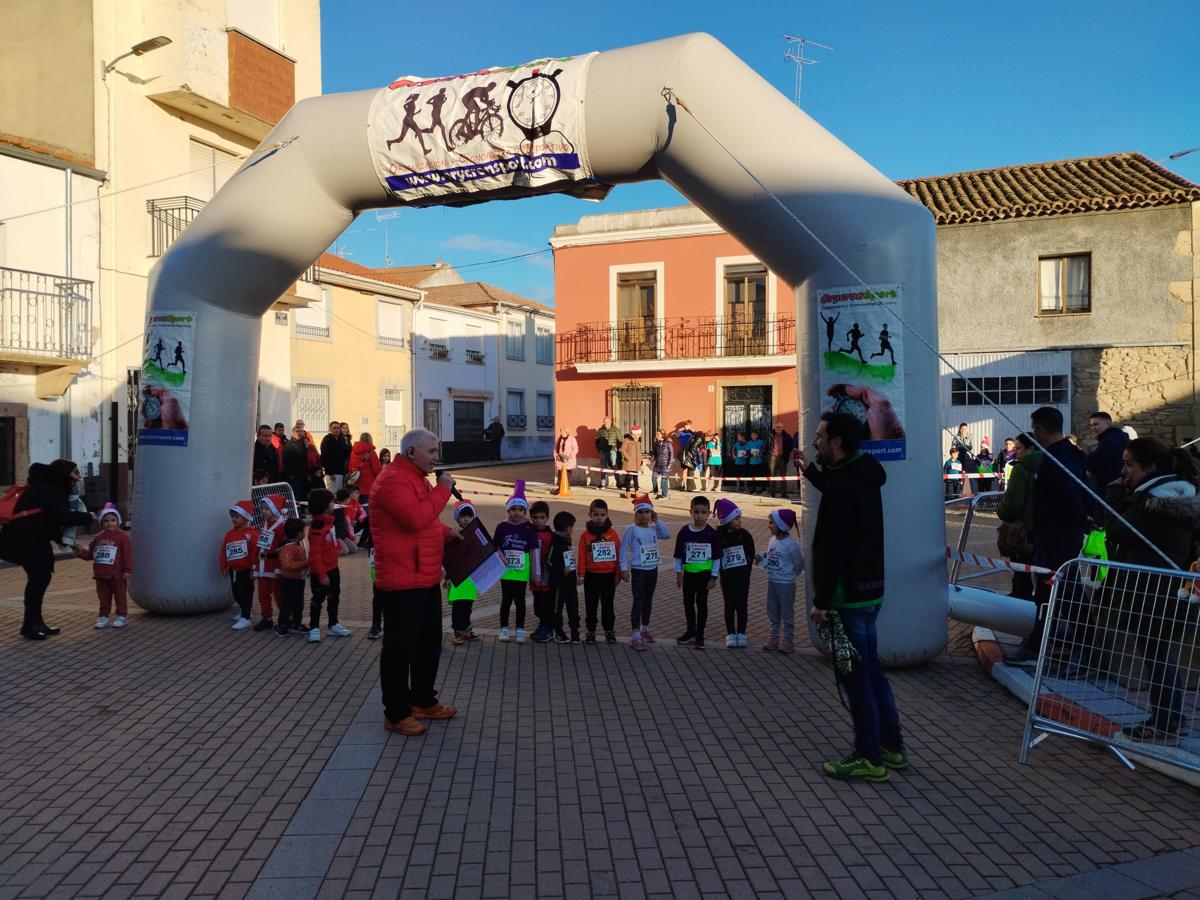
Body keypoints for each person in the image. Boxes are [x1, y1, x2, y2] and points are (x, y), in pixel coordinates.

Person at [798, 412, 904, 783]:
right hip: (870, 590)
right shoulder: (861, 473)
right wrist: (811, 471)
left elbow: (833, 548)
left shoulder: (845, 484)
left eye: (820, 437)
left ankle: (868, 756)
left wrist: (822, 601)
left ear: (837, 442)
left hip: (846, 597)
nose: (815, 442)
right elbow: (837, 486)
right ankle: (892, 746)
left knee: (856, 680)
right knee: (873, 674)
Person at [1103, 438, 1200, 742]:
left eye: (1130, 465)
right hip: (1162, 586)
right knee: (1159, 654)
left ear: (1150, 467)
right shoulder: (1170, 495)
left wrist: (1115, 491)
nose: (1124, 470)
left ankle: (1166, 721)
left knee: (1157, 655)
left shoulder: (1154, 502)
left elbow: (1117, 529)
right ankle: (1170, 717)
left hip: (1152, 589)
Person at [370, 428, 458, 737]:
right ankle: (396, 713)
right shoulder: (393, 480)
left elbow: (427, 522)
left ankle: (422, 701)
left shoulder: (415, 478)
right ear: (411, 453)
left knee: (427, 645)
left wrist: (447, 533)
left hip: (424, 576)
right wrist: (444, 489)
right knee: (399, 650)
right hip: (402, 580)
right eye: (432, 451)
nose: (437, 457)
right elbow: (415, 518)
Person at [1005, 406, 1093, 667]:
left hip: (1059, 535)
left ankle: (1084, 652)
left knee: (1067, 591)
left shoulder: (1058, 459)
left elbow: (1072, 495)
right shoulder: (1067, 454)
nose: (1033, 433)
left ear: (1041, 429)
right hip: (1055, 534)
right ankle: (1037, 645)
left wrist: (1077, 520)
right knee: (1046, 593)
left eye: (1034, 428)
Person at [0, 460, 94, 640]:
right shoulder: (51, 488)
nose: (78, 476)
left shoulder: (46, 486)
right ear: (65, 473)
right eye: (75, 472)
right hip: (25, 540)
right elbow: (62, 516)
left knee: (40, 577)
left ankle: (36, 622)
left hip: (28, 538)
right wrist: (88, 517)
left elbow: (50, 520)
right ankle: (30, 625)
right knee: (39, 578)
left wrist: (68, 542)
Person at [619, 493, 670, 651]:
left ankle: (645, 628)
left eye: (647, 512)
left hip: (652, 569)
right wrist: (623, 568)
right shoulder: (631, 530)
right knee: (638, 601)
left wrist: (658, 519)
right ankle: (635, 634)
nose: (644, 515)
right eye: (640, 512)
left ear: (651, 513)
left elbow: (667, 534)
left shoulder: (654, 529)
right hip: (639, 570)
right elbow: (622, 550)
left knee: (648, 600)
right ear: (636, 514)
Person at [995, 434, 1042, 601]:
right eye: (1014, 449)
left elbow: (1012, 503)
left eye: (1019, 448)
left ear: (1031, 448)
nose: (1015, 453)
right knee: (1044, 575)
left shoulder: (1022, 468)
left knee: (1022, 574)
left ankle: (1021, 610)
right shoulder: (1055, 463)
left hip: (1025, 530)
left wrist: (1001, 511)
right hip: (1046, 530)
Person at [494, 482, 541, 644]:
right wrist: (502, 558)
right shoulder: (502, 527)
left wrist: (536, 573)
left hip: (522, 571)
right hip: (506, 571)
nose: (516, 513)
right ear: (508, 510)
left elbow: (534, 551)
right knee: (506, 600)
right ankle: (504, 629)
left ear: (524, 511)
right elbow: (495, 546)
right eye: (513, 509)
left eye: (520, 510)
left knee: (520, 601)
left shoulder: (529, 528)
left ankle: (520, 629)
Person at [75, 503, 134, 630]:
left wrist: (127, 569)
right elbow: (91, 554)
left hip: (117, 574)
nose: (110, 523)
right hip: (101, 574)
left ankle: (121, 616)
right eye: (106, 521)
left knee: (120, 596)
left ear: (118, 521)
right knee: (103, 596)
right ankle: (103, 616)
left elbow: (127, 554)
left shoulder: (123, 537)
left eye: (113, 520)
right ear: (102, 523)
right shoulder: (98, 538)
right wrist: (80, 551)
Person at [673, 495, 721, 649]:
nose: (700, 516)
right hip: (689, 576)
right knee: (688, 603)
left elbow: (716, 557)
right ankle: (690, 631)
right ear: (690, 512)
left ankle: (700, 634)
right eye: (696, 512)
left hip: (704, 576)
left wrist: (714, 576)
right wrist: (678, 573)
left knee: (702, 604)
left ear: (709, 513)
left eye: (703, 512)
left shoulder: (711, 534)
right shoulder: (684, 532)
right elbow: (678, 554)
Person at [758, 508, 805, 654]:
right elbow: (771, 556)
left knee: (787, 612)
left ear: (781, 525)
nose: (769, 525)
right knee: (772, 609)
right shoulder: (773, 540)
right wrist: (761, 557)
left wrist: (790, 575)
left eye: (771, 523)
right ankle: (774, 637)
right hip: (772, 581)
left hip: (786, 584)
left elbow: (799, 564)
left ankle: (788, 639)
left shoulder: (791, 545)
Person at [306, 489, 350, 642]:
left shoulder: (328, 523)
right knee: (317, 600)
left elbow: (331, 542)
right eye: (331, 502)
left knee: (334, 597)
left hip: (333, 568)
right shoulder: (318, 529)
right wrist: (322, 574)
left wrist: (336, 547)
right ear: (324, 505)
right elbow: (315, 555)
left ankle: (333, 624)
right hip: (321, 572)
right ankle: (314, 628)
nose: (334, 504)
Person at [578, 498, 621, 643]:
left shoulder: (613, 534)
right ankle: (591, 631)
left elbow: (619, 554)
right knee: (591, 605)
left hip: (608, 576)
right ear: (590, 515)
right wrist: (581, 574)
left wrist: (618, 574)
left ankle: (609, 630)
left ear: (607, 515)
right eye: (596, 514)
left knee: (608, 605)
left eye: (602, 515)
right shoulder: (585, 535)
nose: (599, 518)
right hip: (591, 576)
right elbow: (582, 556)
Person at [714, 498, 754, 648]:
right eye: (736, 519)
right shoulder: (719, 536)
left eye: (740, 518)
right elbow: (715, 554)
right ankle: (730, 633)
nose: (740, 521)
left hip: (743, 576)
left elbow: (751, 551)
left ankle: (742, 633)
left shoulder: (744, 535)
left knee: (742, 604)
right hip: (727, 576)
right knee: (729, 605)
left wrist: (747, 565)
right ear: (728, 520)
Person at [252, 493, 289, 632]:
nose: (263, 512)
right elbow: (258, 546)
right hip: (262, 565)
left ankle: (285, 618)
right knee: (263, 595)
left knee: (279, 594)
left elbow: (284, 549)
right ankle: (266, 618)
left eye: (266, 509)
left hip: (274, 566)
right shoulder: (263, 525)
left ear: (274, 509)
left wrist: (280, 568)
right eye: (262, 509)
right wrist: (254, 566)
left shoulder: (282, 526)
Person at [446, 501, 481, 645]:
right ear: (457, 518)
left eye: (469, 516)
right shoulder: (453, 535)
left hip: (471, 577)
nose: (466, 519)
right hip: (457, 577)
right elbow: (448, 557)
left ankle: (467, 628)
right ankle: (457, 631)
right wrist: (447, 577)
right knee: (458, 606)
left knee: (468, 605)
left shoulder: (477, 534)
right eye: (462, 516)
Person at [220, 500, 258, 631]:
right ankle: (245, 610)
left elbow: (255, 553)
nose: (233, 519)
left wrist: (254, 569)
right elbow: (224, 550)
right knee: (236, 593)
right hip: (234, 569)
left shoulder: (252, 534)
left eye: (237, 516)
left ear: (246, 517)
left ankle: (246, 617)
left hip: (246, 569)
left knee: (246, 593)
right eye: (232, 516)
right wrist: (224, 566)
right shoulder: (230, 534)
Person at [549, 511, 580, 643]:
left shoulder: (567, 542)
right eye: (572, 527)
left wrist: (575, 574)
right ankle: (559, 632)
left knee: (573, 606)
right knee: (557, 608)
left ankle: (575, 631)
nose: (573, 529)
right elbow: (549, 561)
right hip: (558, 583)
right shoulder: (555, 543)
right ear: (568, 528)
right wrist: (561, 568)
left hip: (570, 582)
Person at [274, 518, 308, 637]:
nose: (305, 533)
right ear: (298, 533)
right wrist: (305, 564)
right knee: (288, 604)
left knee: (299, 604)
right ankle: (282, 624)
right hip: (289, 580)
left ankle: (296, 622)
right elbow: (287, 564)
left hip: (299, 579)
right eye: (304, 531)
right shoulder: (288, 548)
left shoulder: (296, 546)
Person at [528, 500, 555, 642]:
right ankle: (542, 625)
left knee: (546, 604)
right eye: (536, 517)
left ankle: (548, 628)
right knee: (538, 605)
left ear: (547, 518)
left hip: (546, 576)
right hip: (533, 575)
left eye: (542, 518)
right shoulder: (529, 532)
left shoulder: (550, 536)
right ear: (531, 517)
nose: (539, 521)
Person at [1086, 411, 1130, 493]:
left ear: (1108, 423)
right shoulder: (1117, 437)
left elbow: (1092, 463)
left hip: (1112, 488)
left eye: (1096, 424)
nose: (1093, 428)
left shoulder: (1110, 441)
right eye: (1091, 425)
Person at [349, 433, 383, 504]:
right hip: (368, 487)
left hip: (355, 487)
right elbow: (377, 470)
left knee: (358, 510)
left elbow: (350, 468)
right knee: (366, 509)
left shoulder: (353, 452)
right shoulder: (371, 452)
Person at [282, 425, 312, 506]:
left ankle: (300, 511)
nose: (299, 433)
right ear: (292, 433)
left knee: (301, 495)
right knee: (294, 495)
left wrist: (306, 473)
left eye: (301, 431)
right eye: (297, 431)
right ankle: (294, 511)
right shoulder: (289, 444)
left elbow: (305, 460)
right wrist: (290, 474)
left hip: (302, 475)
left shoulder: (302, 443)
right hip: (293, 476)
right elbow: (286, 460)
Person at [594, 416, 622, 490]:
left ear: (610, 422)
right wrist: (599, 449)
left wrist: (616, 449)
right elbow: (596, 441)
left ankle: (618, 484)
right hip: (603, 452)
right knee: (603, 467)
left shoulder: (616, 430)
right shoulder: (600, 430)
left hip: (613, 451)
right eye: (604, 422)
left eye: (607, 422)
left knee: (615, 466)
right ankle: (602, 484)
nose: (605, 423)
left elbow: (620, 441)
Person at [768, 423, 795, 499]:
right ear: (774, 428)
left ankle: (784, 493)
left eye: (780, 427)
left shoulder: (787, 436)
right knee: (772, 476)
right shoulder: (770, 436)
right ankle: (772, 493)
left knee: (783, 476)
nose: (778, 428)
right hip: (773, 457)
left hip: (782, 458)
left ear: (782, 428)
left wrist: (787, 454)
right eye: (777, 427)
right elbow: (767, 446)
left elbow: (790, 446)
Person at [321, 421, 349, 491]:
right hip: (332, 473)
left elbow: (345, 454)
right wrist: (331, 473)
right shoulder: (327, 440)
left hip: (341, 472)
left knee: (339, 494)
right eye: (334, 428)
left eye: (338, 428)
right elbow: (324, 458)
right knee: (332, 494)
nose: (336, 430)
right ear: (330, 429)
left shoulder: (341, 439)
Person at [553, 427, 578, 494]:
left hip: (569, 459)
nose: (561, 433)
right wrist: (555, 455)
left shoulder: (572, 439)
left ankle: (567, 487)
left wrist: (570, 456)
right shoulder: (559, 439)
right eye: (561, 431)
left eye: (562, 431)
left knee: (567, 473)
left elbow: (575, 449)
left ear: (566, 432)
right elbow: (555, 448)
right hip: (560, 459)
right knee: (560, 474)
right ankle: (560, 487)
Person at [651, 429, 674, 499]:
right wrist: (651, 459)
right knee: (653, 478)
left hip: (665, 466)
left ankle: (664, 495)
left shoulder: (668, 444)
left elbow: (671, 455)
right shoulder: (656, 444)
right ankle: (655, 491)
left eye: (658, 434)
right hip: (657, 465)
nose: (656, 436)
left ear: (662, 435)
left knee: (664, 481)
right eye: (657, 434)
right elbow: (654, 454)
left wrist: (669, 465)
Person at [619, 431, 640, 497]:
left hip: (636, 462)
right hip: (629, 462)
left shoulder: (638, 442)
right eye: (636, 434)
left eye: (638, 434)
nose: (637, 435)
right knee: (628, 477)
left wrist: (641, 461)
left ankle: (637, 492)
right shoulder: (627, 440)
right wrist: (628, 458)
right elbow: (622, 449)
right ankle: (627, 492)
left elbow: (639, 453)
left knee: (635, 478)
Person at [674, 420, 694, 489]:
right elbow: (674, 435)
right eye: (685, 425)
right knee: (684, 469)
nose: (686, 426)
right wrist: (679, 430)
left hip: (690, 452)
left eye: (688, 425)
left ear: (690, 425)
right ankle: (684, 484)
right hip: (684, 453)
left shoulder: (692, 433)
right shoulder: (681, 433)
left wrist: (693, 431)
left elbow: (698, 438)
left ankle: (690, 485)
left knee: (691, 470)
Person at [745, 429, 766, 494]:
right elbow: (747, 452)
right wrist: (751, 455)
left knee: (761, 475)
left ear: (757, 436)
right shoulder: (749, 443)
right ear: (751, 436)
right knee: (753, 476)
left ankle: (762, 488)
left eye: (755, 435)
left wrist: (761, 453)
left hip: (760, 461)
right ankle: (753, 488)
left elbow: (764, 449)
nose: (754, 436)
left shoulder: (761, 442)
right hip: (752, 462)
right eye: (752, 435)